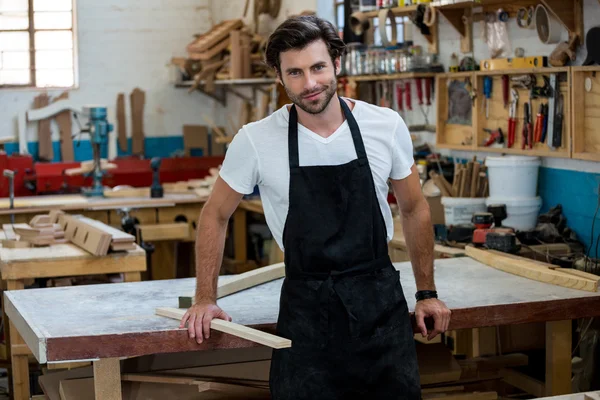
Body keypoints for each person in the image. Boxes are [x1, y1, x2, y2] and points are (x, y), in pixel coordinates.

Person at [180, 15, 451, 399]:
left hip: (379, 311)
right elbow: (215, 214)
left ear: (336, 64)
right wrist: (205, 299)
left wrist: (426, 293)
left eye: (318, 67)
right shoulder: (256, 140)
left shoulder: (384, 125)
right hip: (307, 316)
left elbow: (414, 208)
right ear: (278, 76)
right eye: (294, 72)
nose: (309, 84)